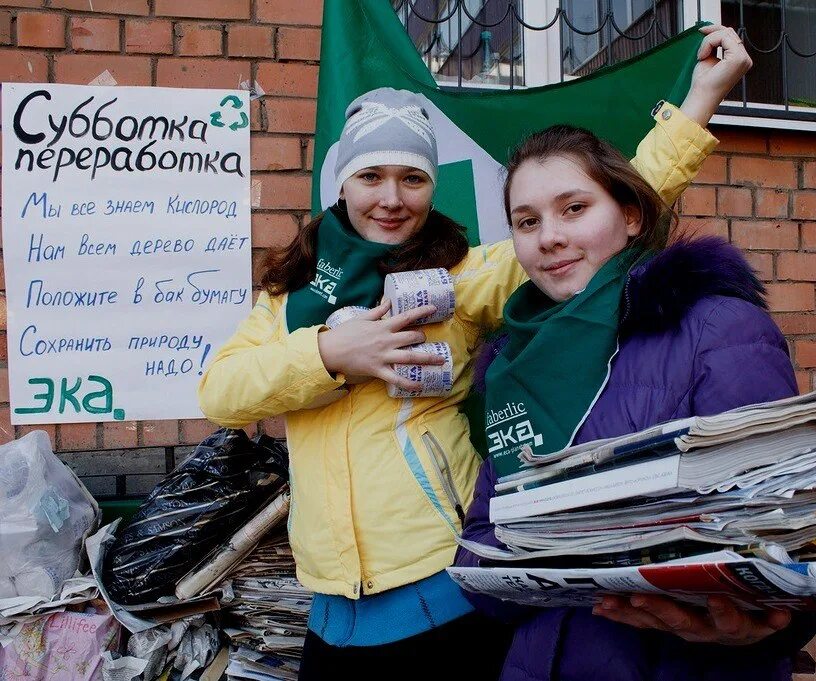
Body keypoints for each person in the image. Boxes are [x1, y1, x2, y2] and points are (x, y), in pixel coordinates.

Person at [197, 25, 748, 677]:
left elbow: (605, 216)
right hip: (329, 609)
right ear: (342, 181)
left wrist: (699, 102)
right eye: (371, 174)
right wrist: (332, 351)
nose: (392, 197)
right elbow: (222, 392)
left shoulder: (459, 280)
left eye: (413, 177)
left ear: (433, 186)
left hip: (445, 592)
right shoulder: (290, 297)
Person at [455, 127, 816, 680]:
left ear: (631, 216)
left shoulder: (718, 329)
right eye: (527, 222)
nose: (549, 237)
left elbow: (787, 531)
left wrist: (770, 625)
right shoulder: (515, 367)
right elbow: (481, 543)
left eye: (574, 208)